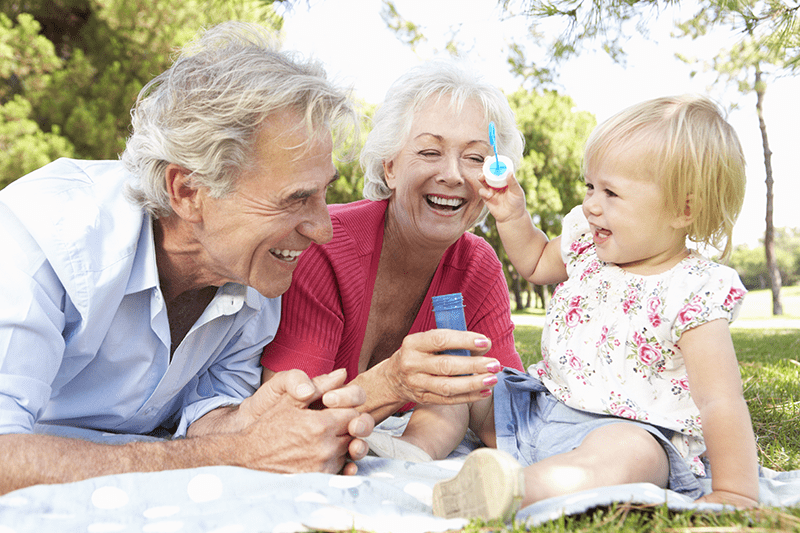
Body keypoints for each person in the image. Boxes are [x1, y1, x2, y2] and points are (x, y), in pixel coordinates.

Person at [0, 21, 377, 495]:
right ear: (188, 191)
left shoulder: (256, 276)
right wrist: (236, 452)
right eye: (296, 199)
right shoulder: (42, 234)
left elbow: (204, 418)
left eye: (323, 194)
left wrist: (253, 421)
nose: (323, 229)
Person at [423, 95, 759, 520]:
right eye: (590, 187)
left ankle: (513, 489)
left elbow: (720, 401)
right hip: (539, 409)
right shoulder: (587, 245)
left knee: (632, 457)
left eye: (612, 192)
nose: (591, 205)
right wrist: (512, 215)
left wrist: (736, 490)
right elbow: (535, 261)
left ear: (683, 210)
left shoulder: (693, 292)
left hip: (622, 430)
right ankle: (414, 452)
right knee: (466, 374)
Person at [260, 61, 526, 461]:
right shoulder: (323, 245)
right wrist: (393, 383)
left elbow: (509, 422)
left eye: (475, 159)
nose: (453, 175)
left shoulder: (479, 267)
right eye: (429, 151)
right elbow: (286, 420)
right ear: (390, 167)